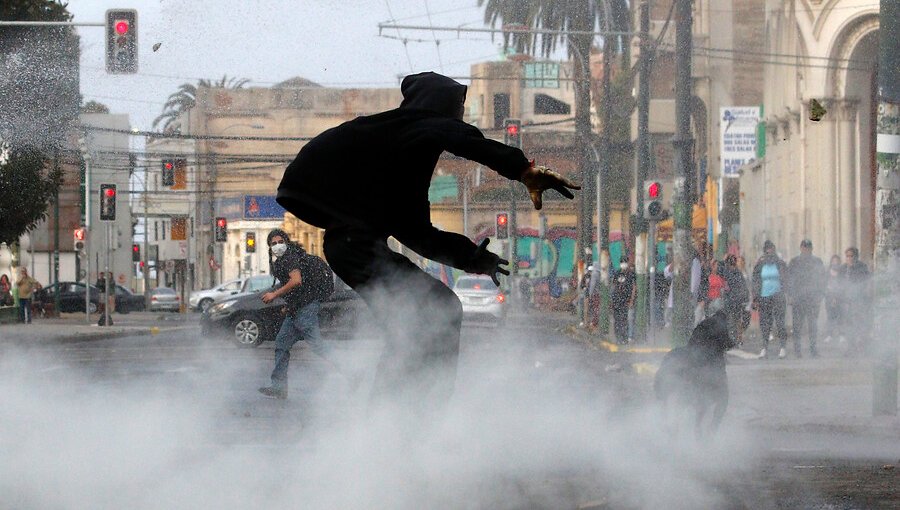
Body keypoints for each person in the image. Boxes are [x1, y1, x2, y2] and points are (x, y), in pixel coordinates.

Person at [276, 72, 579, 421]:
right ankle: (413, 416)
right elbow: (464, 139)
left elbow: (419, 235)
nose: (461, 114)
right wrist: (523, 170)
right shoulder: (416, 125)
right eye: (459, 105)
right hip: (353, 248)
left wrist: (475, 259)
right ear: (440, 104)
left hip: (349, 249)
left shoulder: (401, 156)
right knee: (439, 310)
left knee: (408, 327)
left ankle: (391, 420)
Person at [258, 230, 335, 399]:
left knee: (317, 345)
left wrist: (274, 294)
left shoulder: (290, 257)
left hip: (306, 307)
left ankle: (353, 370)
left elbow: (296, 280)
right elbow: (299, 287)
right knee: (282, 343)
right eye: (273, 243)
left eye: (280, 241)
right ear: (269, 247)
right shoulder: (285, 260)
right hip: (297, 308)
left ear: (286, 241)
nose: (277, 245)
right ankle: (278, 387)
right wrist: (289, 305)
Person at [751, 240, 789, 359]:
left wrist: (787, 293)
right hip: (764, 296)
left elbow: (786, 279)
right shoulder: (760, 264)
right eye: (767, 249)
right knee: (765, 323)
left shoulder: (780, 263)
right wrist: (755, 297)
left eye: (771, 249)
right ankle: (764, 347)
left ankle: (783, 347)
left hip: (778, 295)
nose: (769, 251)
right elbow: (756, 281)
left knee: (780, 322)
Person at [788, 239, 825, 358]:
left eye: (808, 247)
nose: (806, 249)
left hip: (812, 298)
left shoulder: (817, 262)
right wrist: (790, 295)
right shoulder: (794, 262)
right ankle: (797, 350)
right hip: (798, 298)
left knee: (813, 325)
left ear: (811, 249)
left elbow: (822, 279)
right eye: (804, 247)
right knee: (797, 326)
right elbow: (789, 280)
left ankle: (813, 349)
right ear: (801, 248)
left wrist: (820, 294)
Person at [840, 247, 871, 354]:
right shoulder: (843, 268)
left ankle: (861, 346)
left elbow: (867, 282)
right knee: (848, 325)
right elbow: (839, 284)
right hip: (847, 302)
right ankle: (850, 347)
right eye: (847, 256)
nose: (849, 258)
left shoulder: (862, 267)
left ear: (856, 256)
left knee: (859, 324)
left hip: (859, 301)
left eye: (851, 256)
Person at [722, 254, 749, 347]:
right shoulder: (737, 273)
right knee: (736, 321)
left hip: (732, 301)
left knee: (733, 321)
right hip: (736, 301)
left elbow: (727, 288)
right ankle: (736, 339)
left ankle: (734, 339)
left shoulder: (727, 272)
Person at [610, 257, 636, 345]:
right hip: (616, 301)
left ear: (628, 263)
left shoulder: (631, 274)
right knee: (617, 320)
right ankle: (618, 337)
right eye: (622, 262)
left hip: (626, 301)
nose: (623, 264)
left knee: (624, 320)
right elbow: (613, 286)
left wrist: (631, 301)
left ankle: (624, 338)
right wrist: (611, 300)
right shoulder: (617, 273)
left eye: (625, 262)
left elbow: (634, 288)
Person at [823, 255, 844, 344]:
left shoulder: (842, 272)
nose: (835, 262)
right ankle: (829, 335)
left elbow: (843, 284)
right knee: (830, 317)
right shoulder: (827, 272)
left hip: (839, 297)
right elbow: (824, 284)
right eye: (834, 261)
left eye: (837, 261)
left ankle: (841, 335)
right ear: (831, 262)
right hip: (829, 297)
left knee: (840, 317)